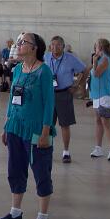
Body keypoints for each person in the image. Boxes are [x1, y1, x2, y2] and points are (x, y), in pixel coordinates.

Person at [0, 32, 55, 219]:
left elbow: (49, 104)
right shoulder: (18, 69)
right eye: (19, 42)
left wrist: (46, 131)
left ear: (34, 47)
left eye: (23, 42)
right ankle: (15, 212)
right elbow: (13, 99)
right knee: (15, 169)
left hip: (37, 129)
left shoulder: (44, 71)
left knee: (41, 171)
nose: (18, 45)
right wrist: (6, 125)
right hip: (16, 127)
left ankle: (43, 217)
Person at [44, 36, 86, 164]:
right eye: (52, 45)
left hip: (64, 94)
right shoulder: (46, 57)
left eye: (58, 45)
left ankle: (66, 152)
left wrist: (77, 85)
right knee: (48, 124)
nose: (55, 48)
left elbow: (84, 70)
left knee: (64, 124)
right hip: (49, 94)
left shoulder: (70, 58)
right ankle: (47, 150)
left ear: (63, 46)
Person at [87, 38, 110, 161]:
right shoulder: (100, 59)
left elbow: (97, 73)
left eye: (97, 47)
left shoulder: (105, 59)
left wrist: (94, 61)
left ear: (101, 48)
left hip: (105, 95)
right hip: (96, 95)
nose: (95, 49)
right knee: (98, 121)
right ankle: (98, 147)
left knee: (106, 122)